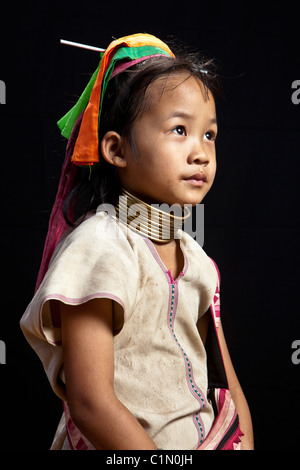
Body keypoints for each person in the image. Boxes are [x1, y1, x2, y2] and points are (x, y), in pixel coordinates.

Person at [20, 33, 254, 450]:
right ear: (116, 149)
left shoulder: (197, 260)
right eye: (179, 129)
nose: (201, 153)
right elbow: (90, 401)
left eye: (209, 135)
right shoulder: (101, 248)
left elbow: (226, 386)